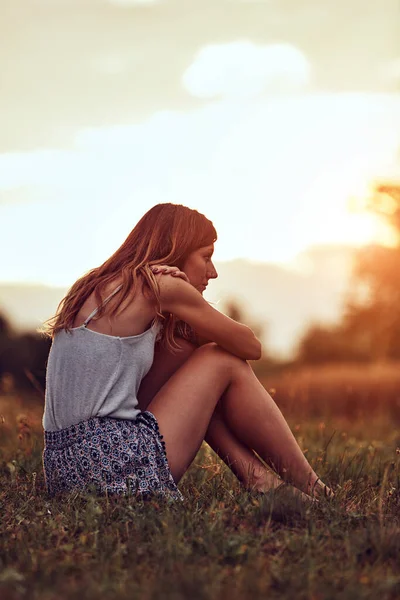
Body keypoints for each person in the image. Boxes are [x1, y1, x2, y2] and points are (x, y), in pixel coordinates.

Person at [42, 203, 332, 502]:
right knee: (221, 359)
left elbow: (172, 365)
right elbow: (249, 346)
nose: (213, 272)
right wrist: (185, 291)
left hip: (65, 469)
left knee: (183, 351)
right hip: (113, 461)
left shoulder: (98, 284)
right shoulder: (160, 286)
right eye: (205, 257)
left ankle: (258, 478)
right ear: (177, 251)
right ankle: (314, 488)